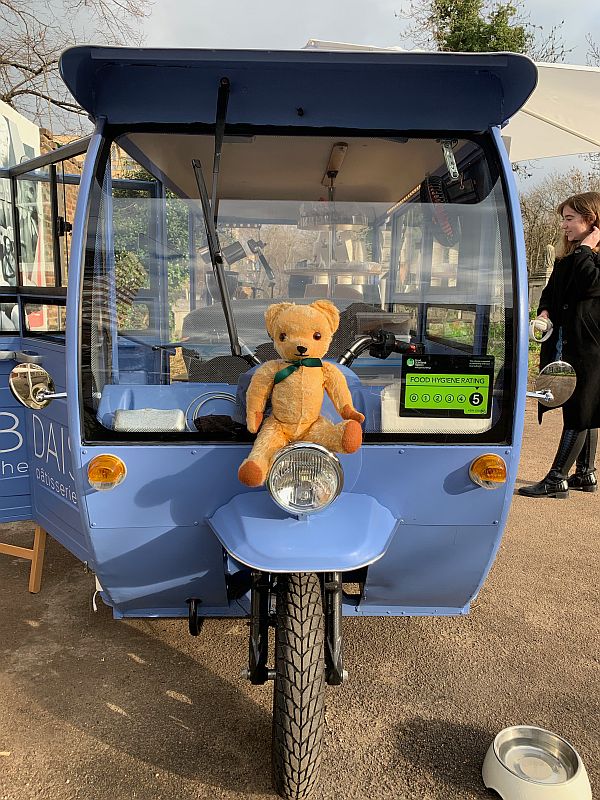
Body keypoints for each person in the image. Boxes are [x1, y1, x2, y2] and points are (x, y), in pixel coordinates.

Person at [519, 191, 600, 498]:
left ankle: (556, 479)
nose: (564, 226)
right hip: (570, 344)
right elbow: (552, 291)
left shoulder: (588, 256)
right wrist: (544, 311)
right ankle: (585, 473)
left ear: (590, 221)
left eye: (570, 219)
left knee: (580, 410)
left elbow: (590, 283)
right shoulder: (571, 255)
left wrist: (587, 250)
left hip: (592, 347)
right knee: (588, 408)